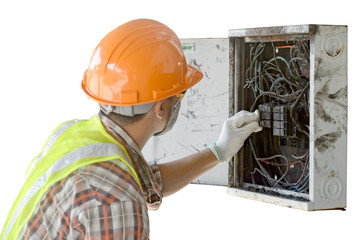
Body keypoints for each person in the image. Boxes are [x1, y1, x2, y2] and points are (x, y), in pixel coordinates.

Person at [0, 19, 261, 240]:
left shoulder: (76, 135)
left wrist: (219, 151)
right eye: (178, 94)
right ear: (160, 108)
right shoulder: (118, 202)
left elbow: (145, 182)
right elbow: (123, 191)